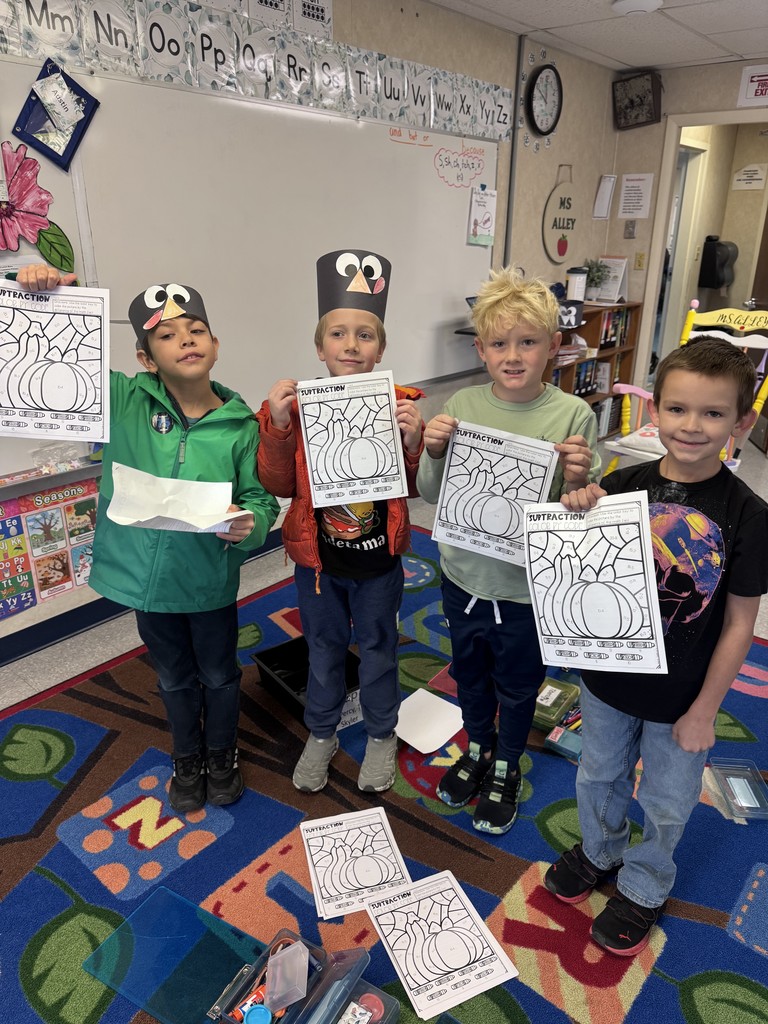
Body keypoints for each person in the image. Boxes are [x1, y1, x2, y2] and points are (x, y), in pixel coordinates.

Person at [17, 265, 279, 813]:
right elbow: (54, 359)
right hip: (147, 585)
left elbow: (259, 499)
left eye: (196, 329)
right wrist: (44, 295)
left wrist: (249, 525)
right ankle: (188, 755)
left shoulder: (241, 425)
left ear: (215, 343)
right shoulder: (122, 401)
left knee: (219, 672)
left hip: (207, 581)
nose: (185, 338)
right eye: (166, 334)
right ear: (145, 357)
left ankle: (221, 752)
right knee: (174, 675)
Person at [544, 337, 768, 956]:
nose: (691, 426)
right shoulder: (622, 484)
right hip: (607, 680)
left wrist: (704, 711)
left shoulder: (748, 515)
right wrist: (578, 504)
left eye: (713, 413)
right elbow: (574, 568)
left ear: (741, 422)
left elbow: (740, 623)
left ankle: (644, 884)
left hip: (682, 697)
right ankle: (600, 851)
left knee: (667, 801)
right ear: (654, 410)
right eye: (677, 409)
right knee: (597, 775)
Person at [417, 266, 600, 835]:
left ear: (553, 347)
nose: (513, 355)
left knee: (519, 684)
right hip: (463, 575)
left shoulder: (573, 416)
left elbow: (578, 516)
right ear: (482, 349)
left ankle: (505, 763)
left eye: (528, 342)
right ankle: (476, 748)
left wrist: (579, 480)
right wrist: (435, 452)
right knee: (469, 675)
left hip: (526, 589)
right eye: (500, 343)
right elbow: (430, 494)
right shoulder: (464, 403)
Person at [256, 248, 424, 794]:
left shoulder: (398, 406)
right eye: (338, 334)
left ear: (381, 348)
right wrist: (279, 427)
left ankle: (380, 734)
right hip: (320, 563)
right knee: (323, 650)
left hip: (378, 562)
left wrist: (413, 440)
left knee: (379, 648)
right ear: (319, 346)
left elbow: (413, 485)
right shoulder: (297, 409)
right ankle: (322, 733)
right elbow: (279, 485)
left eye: (365, 335)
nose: (351, 345)